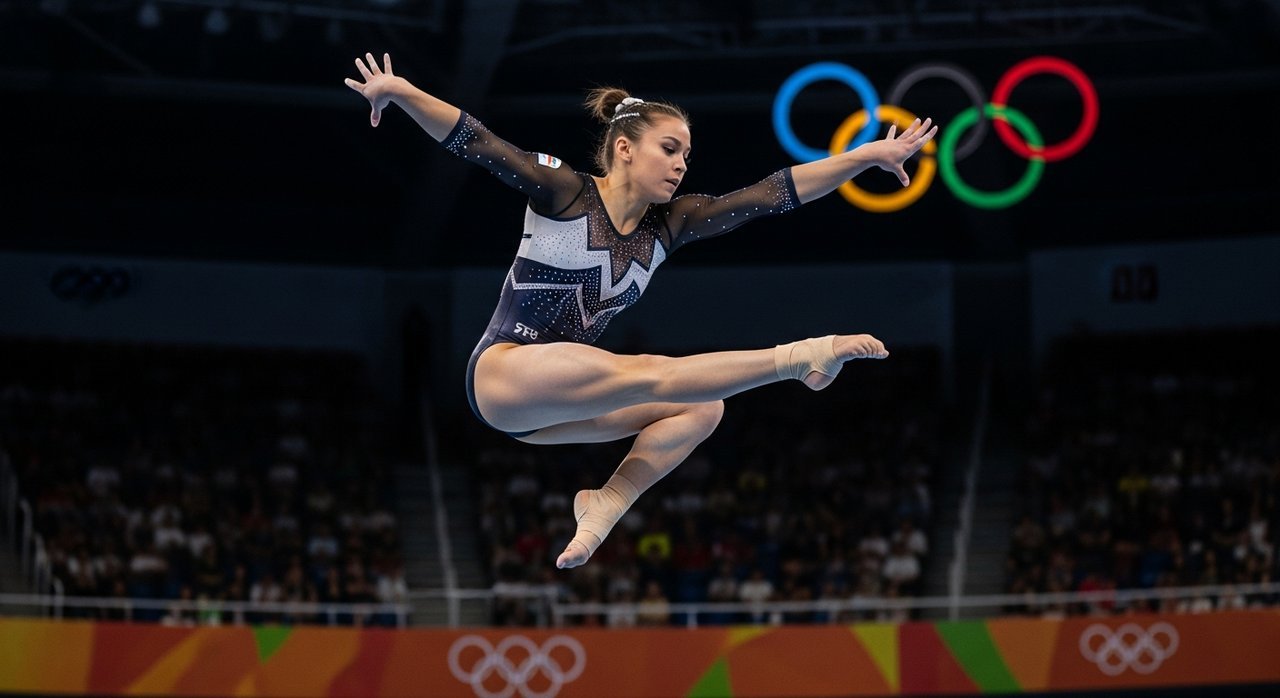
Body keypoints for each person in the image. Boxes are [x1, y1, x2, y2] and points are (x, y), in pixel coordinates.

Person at [345, 53, 937, 570]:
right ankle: (802, 356)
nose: (682, 164)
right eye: (670, 148)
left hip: (549, 414)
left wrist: (864, 157)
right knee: (650, 369)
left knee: (704, 409)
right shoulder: (565, 191)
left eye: (688, 153)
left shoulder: (671, 225)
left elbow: (770, 195)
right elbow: (477, 141)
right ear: (624, 148)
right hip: (505, 375)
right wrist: (399, 92)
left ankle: (604, 503)